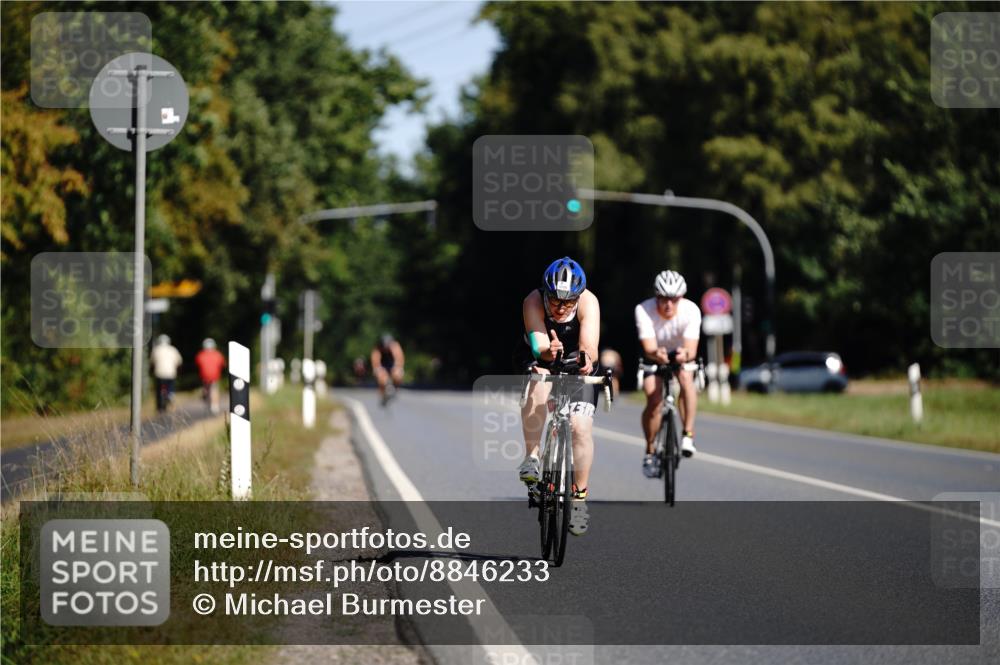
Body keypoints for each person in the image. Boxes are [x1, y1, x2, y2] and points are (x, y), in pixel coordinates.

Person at [514, 257, 600, 537]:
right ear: (545, 293)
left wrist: (585, 360)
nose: (561, 308)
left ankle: (579, 499)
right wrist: (549, 352)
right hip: (542, 357)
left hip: (576, 361)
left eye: (568, 302)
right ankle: (532, 458)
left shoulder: (588, 302)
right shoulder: (533, 301)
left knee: (580, 427)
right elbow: (538, 345)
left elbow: (590, 345)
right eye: (555, 301)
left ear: (578, 297)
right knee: (539, 378)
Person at [635, 270, 701, 478]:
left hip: (681, 354)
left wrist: (684, 354)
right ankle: (650, 450)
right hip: (654, 354)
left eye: (674, 299)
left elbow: (691, 349)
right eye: (663, 299)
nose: (668, 304)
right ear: (656, 296)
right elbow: (649, 347)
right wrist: (657, 354)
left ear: (681, 297)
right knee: (654, 400)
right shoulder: (644, 309)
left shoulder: (691, 310)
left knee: (686, 378)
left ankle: (687, 434)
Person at [150, 334, 183, 414]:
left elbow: (152, 362)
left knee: (159, 391)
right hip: (171, 374)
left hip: (159, 374)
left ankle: (160, 408)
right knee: (170, 387)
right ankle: (170, 394)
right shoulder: (173, 349)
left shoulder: (156, 350)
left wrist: (152, 369)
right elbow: (179, 361)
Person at [371, 333, 404, 405]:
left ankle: (394, 389)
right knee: (381, 378)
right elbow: (376, 362)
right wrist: (378, 370)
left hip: (392, 365)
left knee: (398, 374)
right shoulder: (377, 348)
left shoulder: (395, 346)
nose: (386, 347)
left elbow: (399, 358)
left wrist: (397, 367)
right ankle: (383, 395)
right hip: (382, 366)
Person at [194, 338, 226, 414]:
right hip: (215, 376)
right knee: (214, 389)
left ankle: (206, 399)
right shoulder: (218, 354)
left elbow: (197, 364)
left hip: (204, 376)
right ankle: (215, 406)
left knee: (206, 388)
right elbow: (223, 364)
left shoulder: (200, 355)